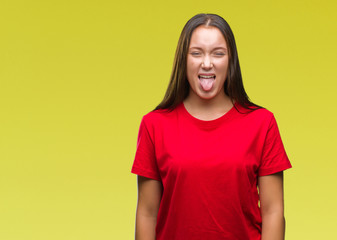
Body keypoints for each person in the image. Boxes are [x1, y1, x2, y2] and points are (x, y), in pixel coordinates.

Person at [131, 13, 292, 240]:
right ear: (183, 60)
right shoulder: (154, 124)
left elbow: (273, 211)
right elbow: (147, 213)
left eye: (218, 53)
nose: (207, 63)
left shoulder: (262, 123)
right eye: (196, 53)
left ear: (230, 60)